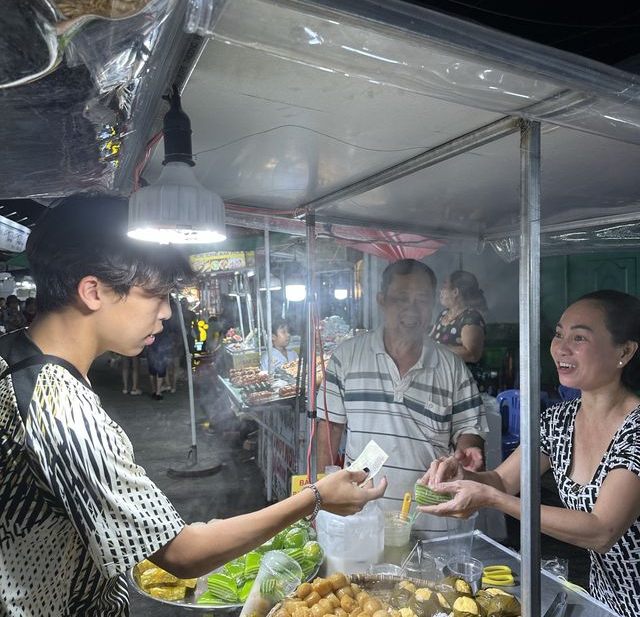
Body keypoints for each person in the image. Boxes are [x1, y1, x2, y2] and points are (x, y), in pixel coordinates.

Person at [0, 195, 387, 617]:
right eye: (157, 294)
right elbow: (181, 554)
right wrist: (315, 497)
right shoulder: (61, 410)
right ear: (93, 291)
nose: (167, 312)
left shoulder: (14, 355)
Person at [420, 290, 640, 617]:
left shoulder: (635, 431)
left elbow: (602, 530)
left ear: (625, 351)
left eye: (579, 337)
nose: (561, 348)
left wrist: (491, 499)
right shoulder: (558, 421)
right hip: (605, 600)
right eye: (559, 334)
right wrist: (462, 477)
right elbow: (501, 481)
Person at [316, 258, 488, 538]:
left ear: (433, 305)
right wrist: (321, 495)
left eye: (422, 299)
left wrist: (469, 449)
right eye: (400, 298)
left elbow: (470, 429)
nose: (411, 308)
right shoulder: (347, 357)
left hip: (433, 520)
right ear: (382, 301)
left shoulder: (452, 367)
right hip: (362, 517)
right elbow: (329, 429)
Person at [430, 270, 487, 365]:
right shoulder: (443, 314)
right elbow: (431, 339)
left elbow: (472, 354)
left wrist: (437, 349)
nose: (440, 291)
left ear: (455, 292)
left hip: (459, 377)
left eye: (444, 287)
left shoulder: (471, 318)